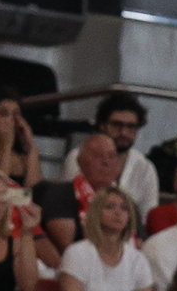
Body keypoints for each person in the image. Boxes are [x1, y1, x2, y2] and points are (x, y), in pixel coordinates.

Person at [58, 181, 157, 291]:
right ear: (96, 212)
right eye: (110, 207)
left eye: (124, 208)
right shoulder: (77, 253)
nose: (118, 212)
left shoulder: (138, 260)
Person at [57, 93, 158, 221]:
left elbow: (147, 218)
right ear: (102, 125)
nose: (124, 132)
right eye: (117, 125)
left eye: (131, 126)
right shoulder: (78, 157)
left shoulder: (145, 167)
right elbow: (66, 206)